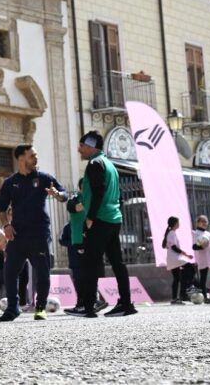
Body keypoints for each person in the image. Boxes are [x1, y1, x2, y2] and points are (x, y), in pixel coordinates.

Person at [67, 131, 136, 318]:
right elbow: (116, 194)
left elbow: (98, 192)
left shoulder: (94, 164)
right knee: (117, 263)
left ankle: (88, 307)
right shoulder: (110, 165)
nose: (79, 149)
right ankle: (126, 304)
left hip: (100, 219)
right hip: (114, 218)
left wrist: (90, 217)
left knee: (89, 263)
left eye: (81, 146)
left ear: (90, 146)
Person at [0, 145, 67, 322]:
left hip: (39, 234)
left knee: (42, 272)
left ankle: (40, 307)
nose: (36, 159)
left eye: (36, 155)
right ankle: (13, 307)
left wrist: (57, 194)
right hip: (17, 235)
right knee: (10, 271)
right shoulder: (10, 182)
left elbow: (64, 195)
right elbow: (1, 207)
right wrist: (6, 225)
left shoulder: (44, 178)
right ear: (21, 158)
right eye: (32, 156)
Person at [60, 188, 108, 315]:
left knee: (91, 278)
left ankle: (92, 302)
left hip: (89, 255)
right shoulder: (69, 226)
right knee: (80, 281)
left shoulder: (93, 223)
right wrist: (74, 244)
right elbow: (62, 240)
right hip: (75, 258)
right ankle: (82, 304)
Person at [162, 217, 193, 305]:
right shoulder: (171, 233)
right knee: (190, 268)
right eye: (178, 222)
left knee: (176, 278)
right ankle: (185, 290)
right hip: (175, 258)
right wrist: (186, 255)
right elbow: (174, 247)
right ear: (175, 223)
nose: (179, 224)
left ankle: (175, 298)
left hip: (173, 259)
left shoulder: (171, 233)